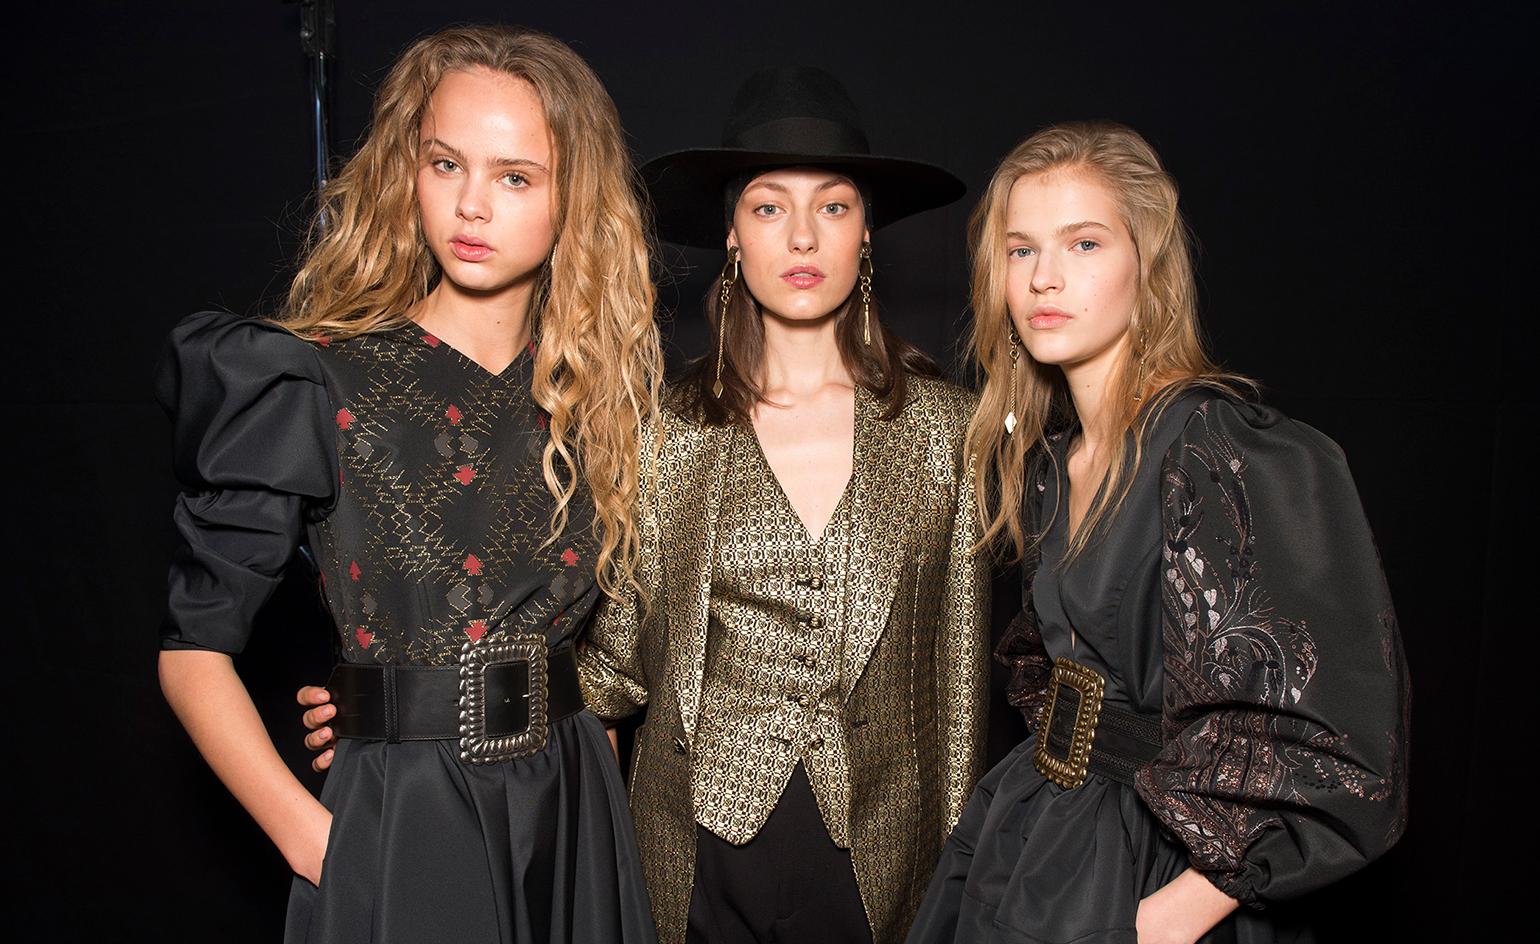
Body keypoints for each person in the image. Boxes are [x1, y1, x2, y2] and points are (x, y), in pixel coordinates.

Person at [156, 25, 660, 943]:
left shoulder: (601, 399)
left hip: (572, 808)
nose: (472, 204)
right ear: (409, 171)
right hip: (404, 816)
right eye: (445, 163)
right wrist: (320, 843)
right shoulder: (316, 377)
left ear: (575, 200)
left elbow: (596, 659)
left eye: (516, 177)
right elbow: (192, 654)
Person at [907, 121, 1410, 944]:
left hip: (1162, 875)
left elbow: (1344, 747)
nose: (1044, 278)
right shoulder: (1051, 462)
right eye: (1021, 250)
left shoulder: (1227, 452)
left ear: (1147, 265)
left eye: (1085, 244)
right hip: (1045, 840)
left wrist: (1169, 917)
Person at [578, 67, 990, 944]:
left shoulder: (947, 432)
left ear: (866, 232)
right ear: (732, 234)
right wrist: (421, 699)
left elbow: (961, 692)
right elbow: (610, 673)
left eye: (833, 206)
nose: (803, 235)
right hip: (698, 857)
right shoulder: (661, 434)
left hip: (882, 863)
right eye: (769, 207)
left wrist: (953, 887)